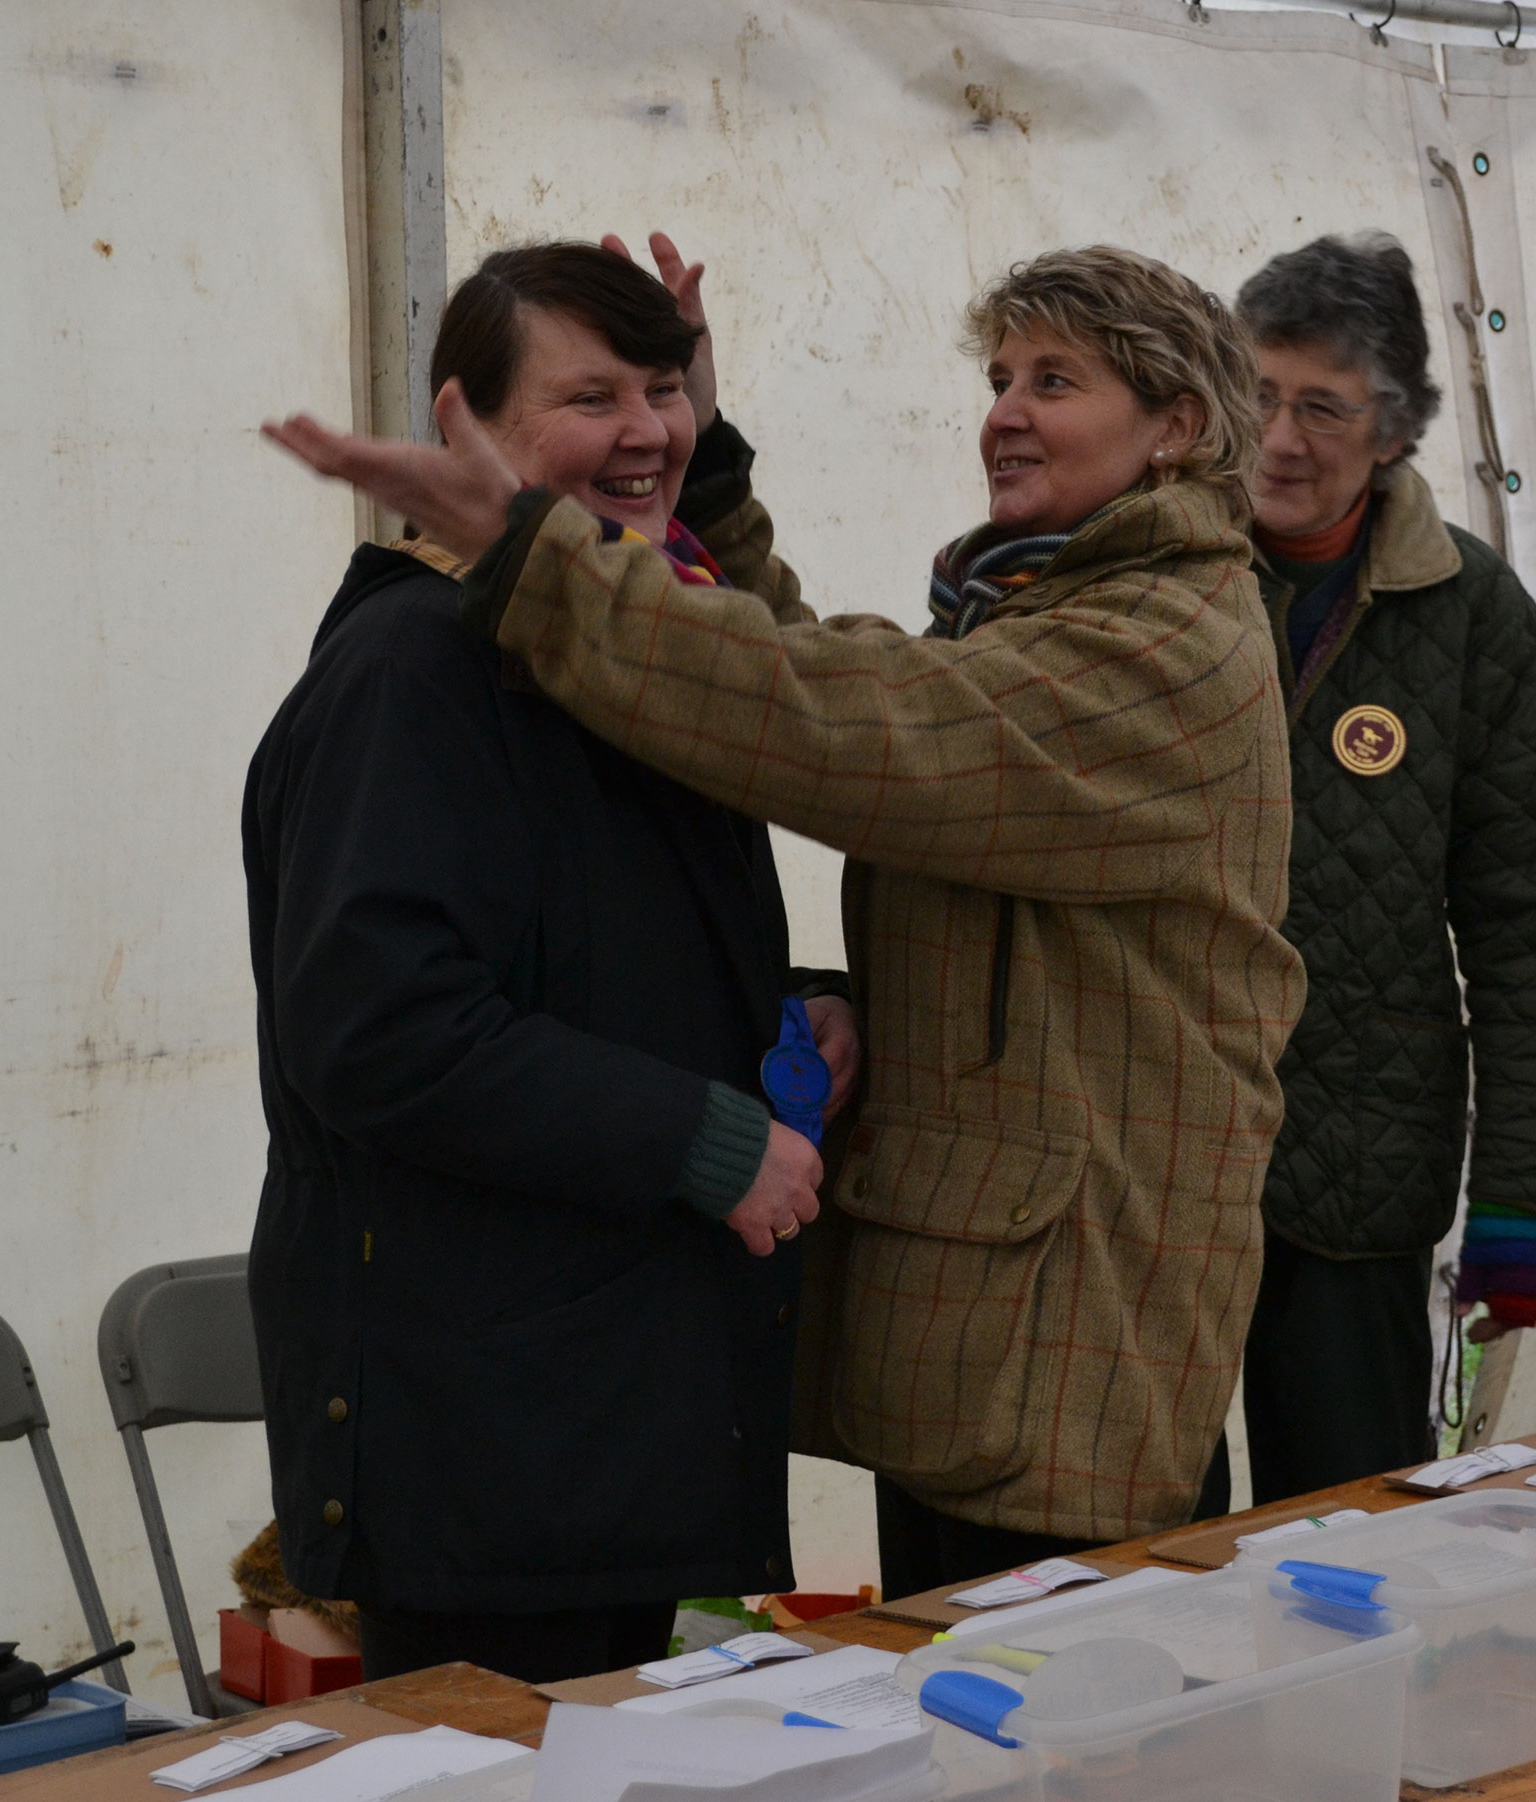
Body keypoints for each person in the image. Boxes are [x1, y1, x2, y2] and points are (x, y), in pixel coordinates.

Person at [265, 242, 1303, 1599]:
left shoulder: (1153, 646)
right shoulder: (416, 668)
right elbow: (815, 694)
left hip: (1057, 1355)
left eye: (1054, 380)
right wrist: (830, 1002)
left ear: (1176, 426)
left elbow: (847, 724)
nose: (1003, 411)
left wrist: (542, 553)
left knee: (1038, 1702)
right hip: (944, 1348)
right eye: (998, 377)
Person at [242, 241, 858, 1684]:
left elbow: (584, 956)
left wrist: (797, 1010)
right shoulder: (414, 669)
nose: (645, 432)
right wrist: (707, 1139)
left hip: (612, 1409)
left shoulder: (625, 642)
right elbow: (382, 1026)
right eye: (591, 398)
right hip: (484, 1434)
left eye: (663, 389)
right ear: (466, 425)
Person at [1232, 232, 1536, 1503]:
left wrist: (1517, 1207)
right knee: (1144, 1554)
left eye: (1321, 408)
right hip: (1151, 1170)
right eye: (1255, 393)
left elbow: (1531, 928)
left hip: (1357, 1168)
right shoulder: (1151, 574)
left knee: (1344, 1528)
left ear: (1390, 431)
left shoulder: (1471, 616)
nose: (1278, 438)